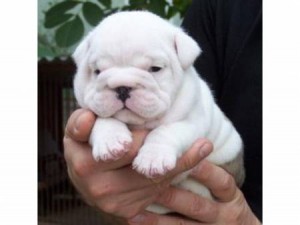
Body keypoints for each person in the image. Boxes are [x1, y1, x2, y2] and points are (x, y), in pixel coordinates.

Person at [64, 0, 262, 224]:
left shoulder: (189, 92)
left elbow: (195, 125)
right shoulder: (217, 8)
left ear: (182, 57)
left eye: (154, 68)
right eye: (99, 70)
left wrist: (163, 143)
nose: (122, 87)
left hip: (222, 176)